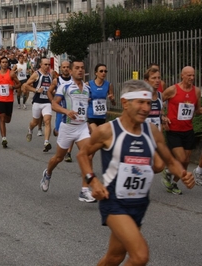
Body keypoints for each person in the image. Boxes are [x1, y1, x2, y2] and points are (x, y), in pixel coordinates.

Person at [77, 79, 195, 266]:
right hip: (114, 202)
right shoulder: (108, 131)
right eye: (140, 102)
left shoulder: (152, 131)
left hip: (139, 203)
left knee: (114, 257)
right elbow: (83, 154)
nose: (145, 108)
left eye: (148, 103)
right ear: (125, 103)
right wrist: (93, 181)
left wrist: (183, 174)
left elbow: (171, 161)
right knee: (140, 256)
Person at [39, 60, 96, 203]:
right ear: (70, 71)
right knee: (58, 158)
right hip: (68, 127)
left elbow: (85, 107)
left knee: (88, 155)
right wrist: (66, 111)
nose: (80, 70)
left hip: (82, 127)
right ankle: (48, 173)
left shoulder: (87, 89)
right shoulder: (65, 87)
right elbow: (54, 105)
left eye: (82, 68)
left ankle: (84, 190)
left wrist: (87, 122)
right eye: (77, 68)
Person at [161, 66, 201, 195]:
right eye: (188, 75)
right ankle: (168, 171)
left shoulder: (197, 91)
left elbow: (197, 110)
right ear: (182, 76)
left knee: (186, 161)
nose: (191, 78)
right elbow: (157, 102)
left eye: (193, 75)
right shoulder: (172, 90)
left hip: (188, 130)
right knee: (182, 159)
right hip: (173, 130)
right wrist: (163, 116)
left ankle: (173, 183)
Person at [0, 56, 21, 148]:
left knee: (8, 120)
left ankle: (4, 134)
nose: (4, 64)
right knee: (2, 118)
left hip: (9, 99)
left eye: (6, 62)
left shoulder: (11, 74)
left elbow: (19, 84)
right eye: (2, 62)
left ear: (8, 64)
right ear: (0, 63)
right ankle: (4, 138)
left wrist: (13, 87)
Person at [24, 57, 53, 152]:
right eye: (45, 64)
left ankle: (46, 142)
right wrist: (36, 90)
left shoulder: (51, 74)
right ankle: (30, 129)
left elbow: (54, 85)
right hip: (37, 102)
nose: (47, 66)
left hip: (47, 102)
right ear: (41, 65)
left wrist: (53, 90)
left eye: (49, 64)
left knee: (47, 121)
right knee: (35, 122)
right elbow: (26, 85)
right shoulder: (36, 74)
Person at [47, 60, 73, 161]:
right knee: (58, 132)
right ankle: (56, 130)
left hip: (71, 110)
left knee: (71, 131)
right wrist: (53, 102)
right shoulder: (56, 81)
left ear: (70, 69)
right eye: (64, 67)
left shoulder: (74, 80)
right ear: (61, 68)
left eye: (67, 67)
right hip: (60, 110)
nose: (66, 69)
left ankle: (68, 153)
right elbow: (49, 92)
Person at [144, 67, 165, 173]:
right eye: (154, 78)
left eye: (159, 78)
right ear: (146, 81)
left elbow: (160, 116)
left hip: (155, 138)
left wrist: (164, 118)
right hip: (142, 138)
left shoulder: (160, 95)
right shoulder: (142, 97)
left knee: (159, 166)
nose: (157, 80)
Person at [87, 64, 116, 134]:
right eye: (101, 71)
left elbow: (114, 104)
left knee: (99, 139)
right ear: (96, 73)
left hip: (102, 116)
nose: (103, 73)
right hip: (91, 115)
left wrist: (112, 99)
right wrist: (86, 99)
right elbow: (82, 99)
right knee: (96, 133)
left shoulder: (108, 85)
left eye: (105, 71)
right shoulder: (88, 84)